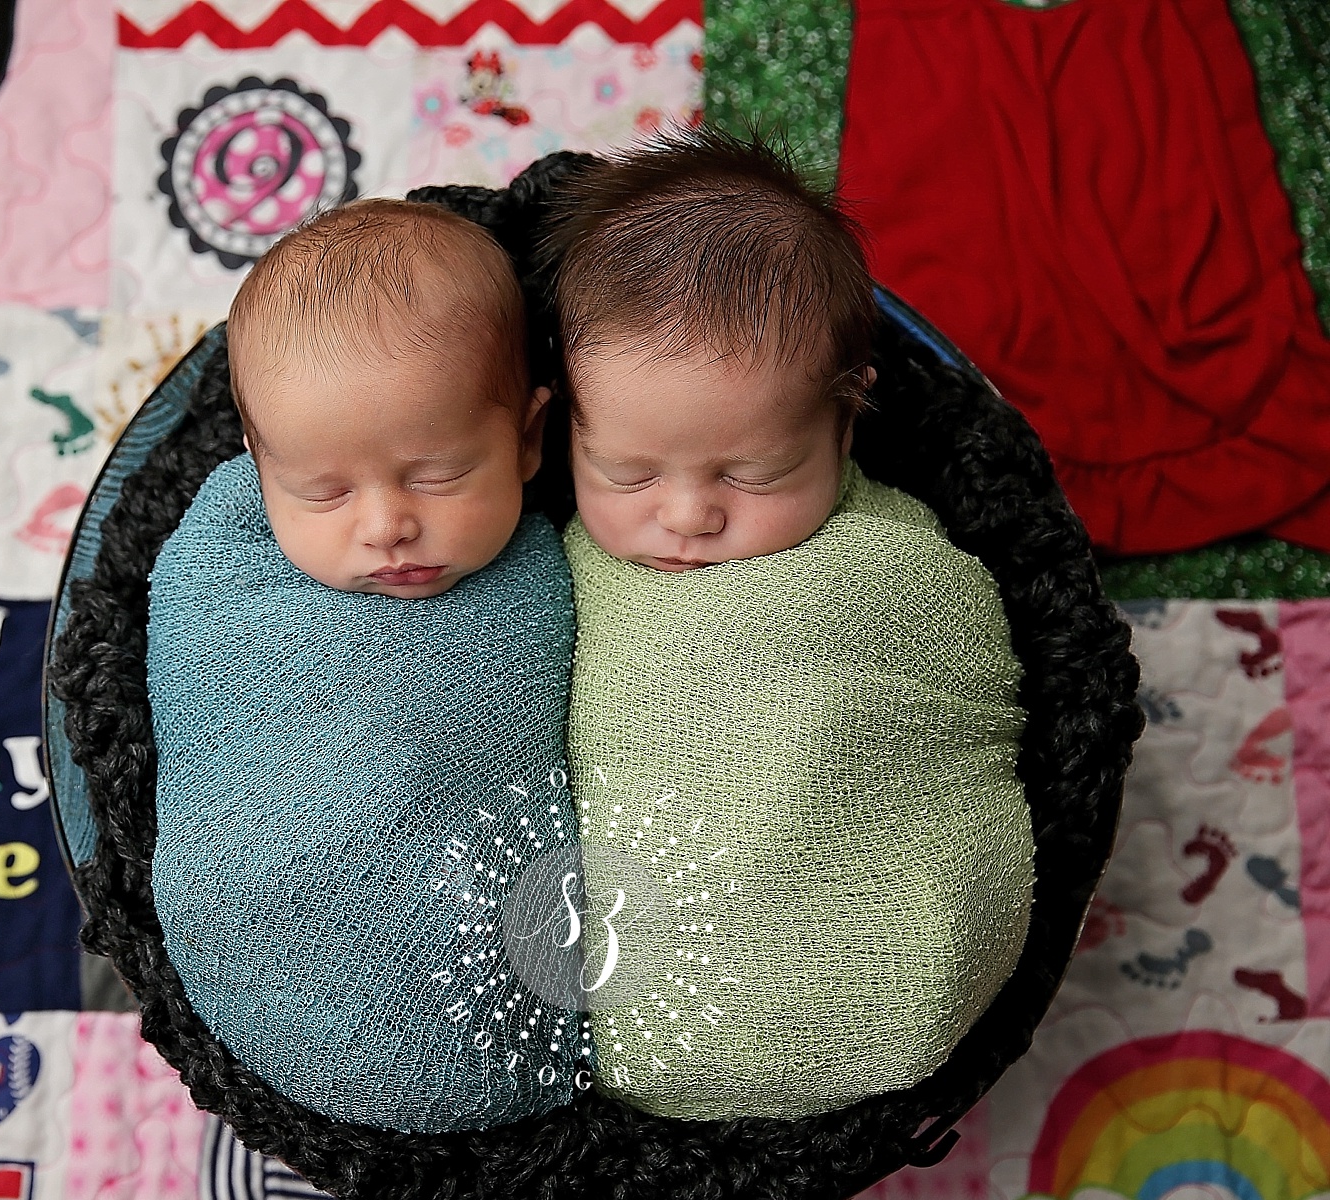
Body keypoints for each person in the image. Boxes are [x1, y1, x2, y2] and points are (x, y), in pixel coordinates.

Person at [549, 128, 1034, 1121]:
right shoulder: (548, 560)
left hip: (898, 965)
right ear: (560, 429)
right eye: (626, 472)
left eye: (748, 473)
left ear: (845, 418)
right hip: (657, 998)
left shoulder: (890, 561)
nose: (684, 517)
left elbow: (964, 683)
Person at [145, 199, 585, 1134]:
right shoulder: (224, 562)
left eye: (435, 475)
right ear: (259, 467)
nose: (385, 524)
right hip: (268, 888)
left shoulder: (571, 562)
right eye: (324, 490)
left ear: (530, 438)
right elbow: (199, 724)